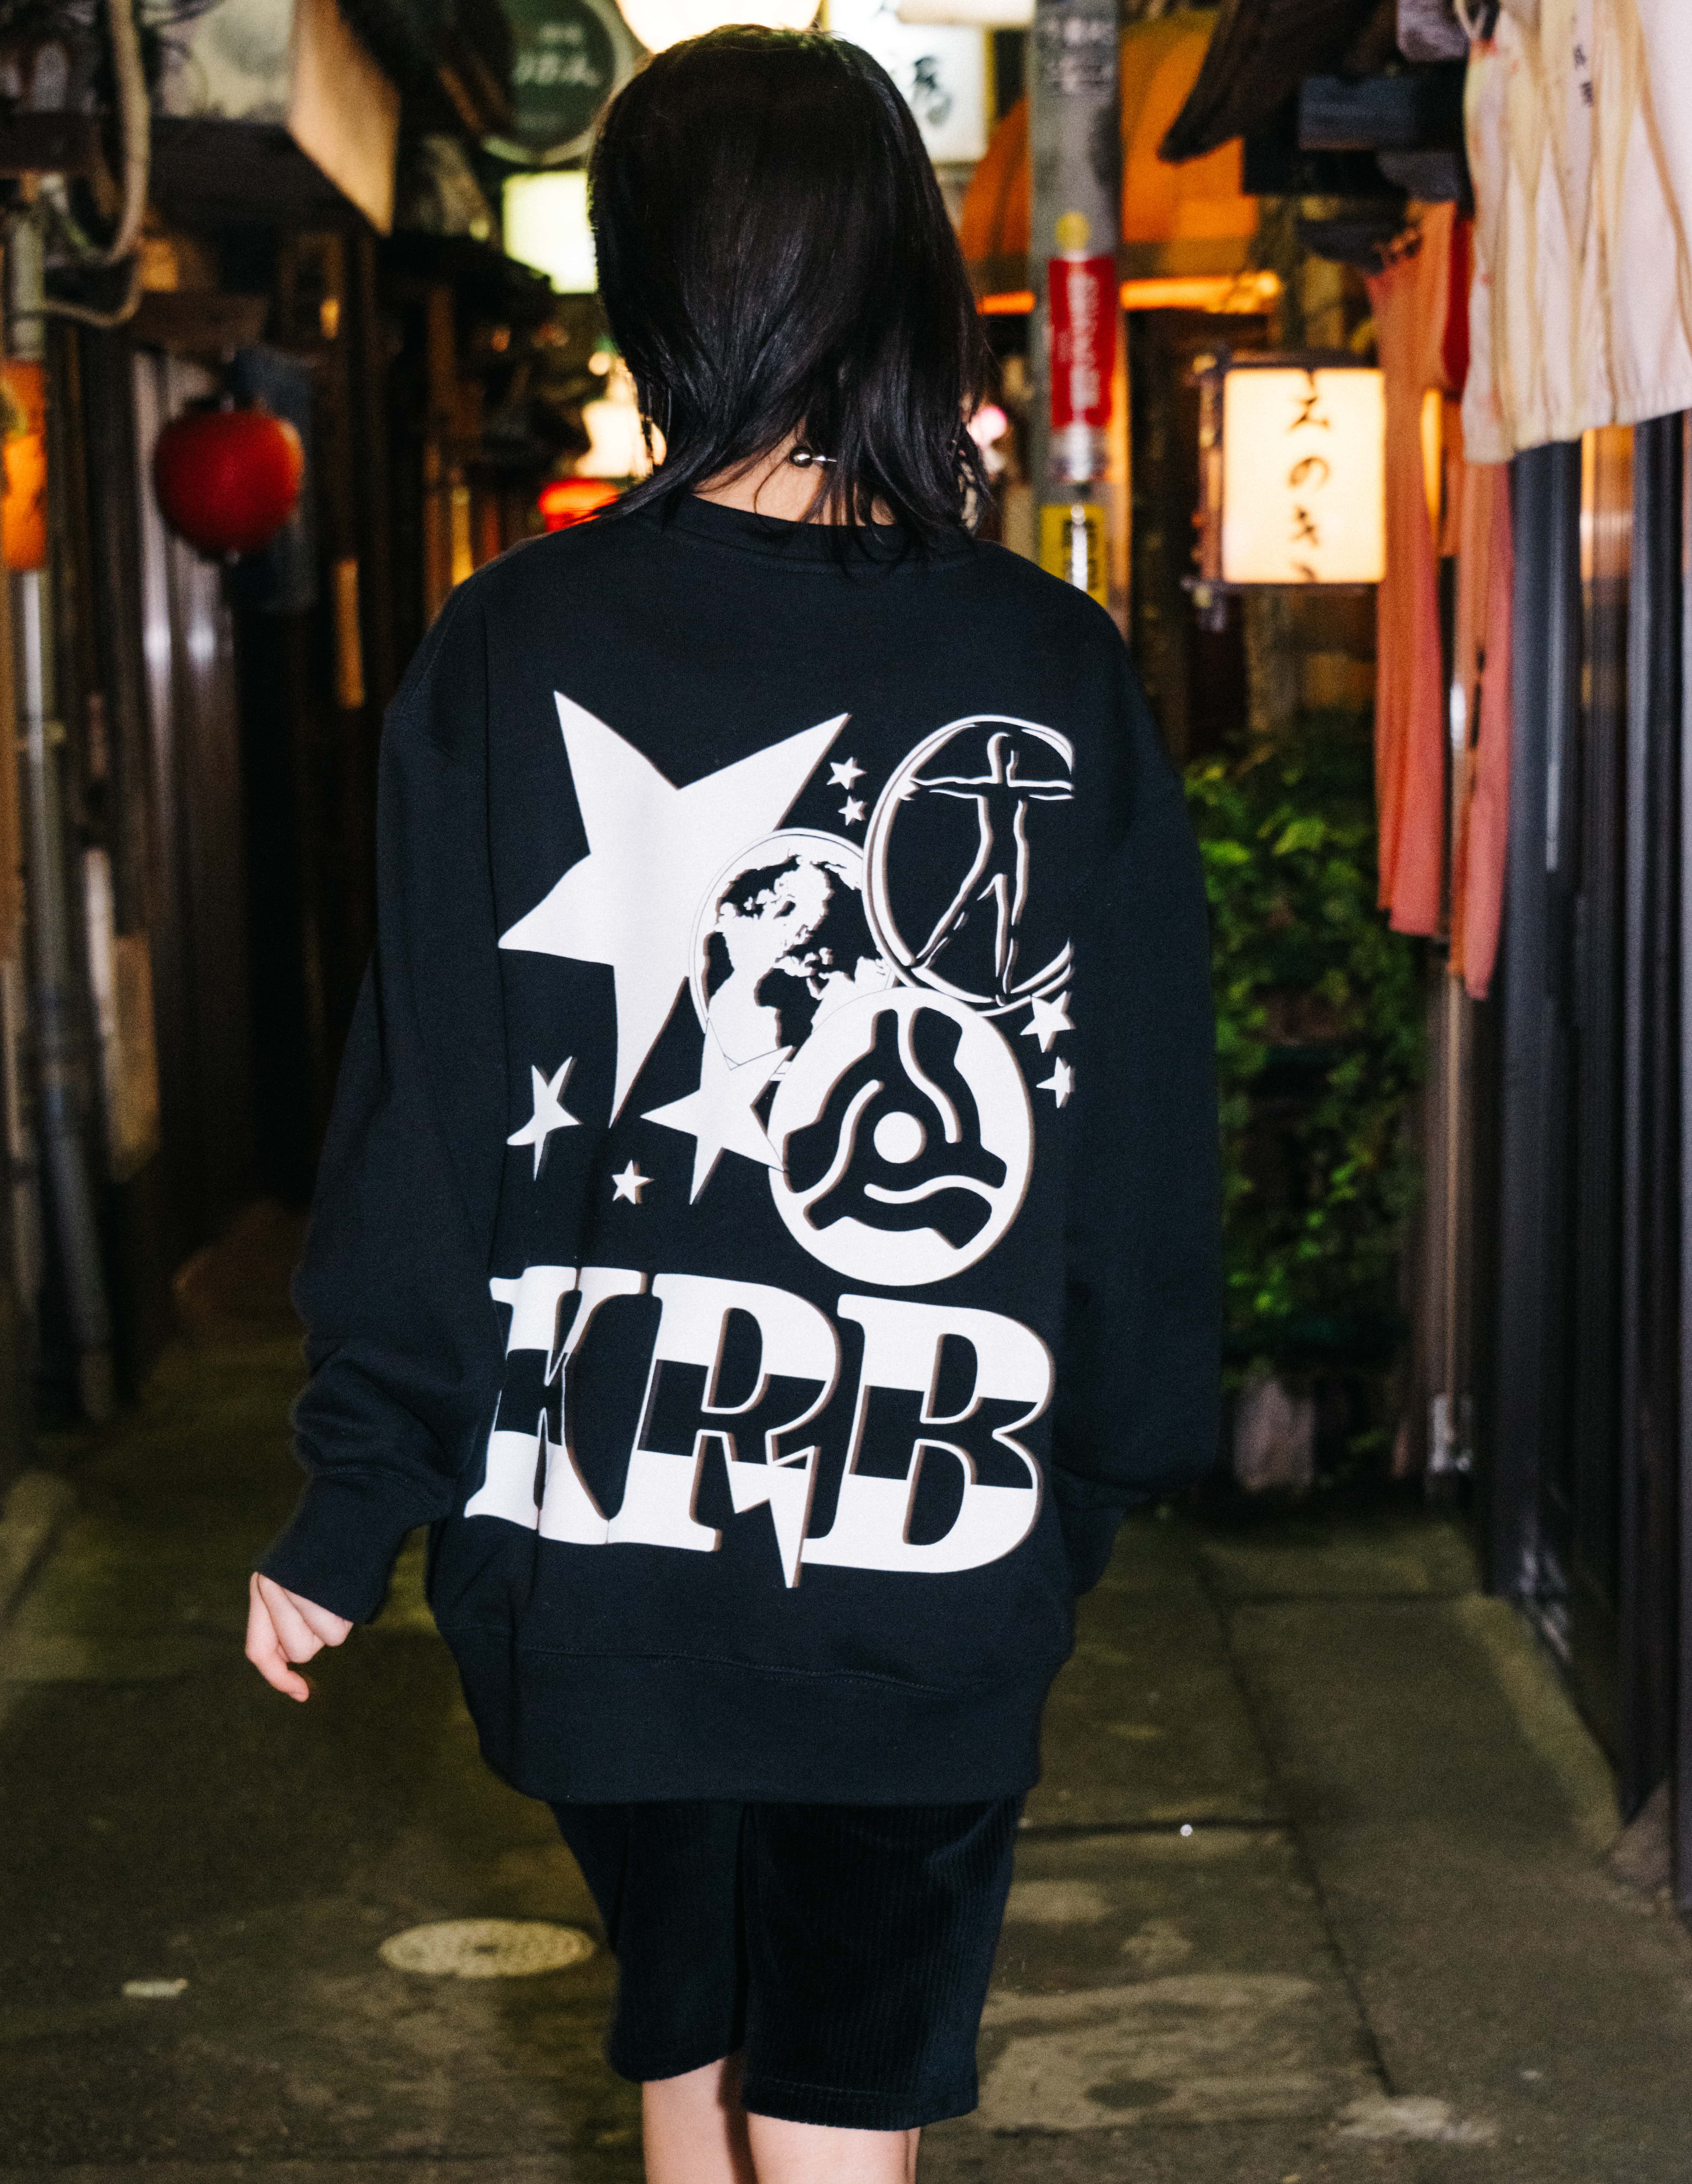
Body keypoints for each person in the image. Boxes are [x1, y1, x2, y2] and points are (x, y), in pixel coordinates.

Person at [245, 28, 1220, 2184]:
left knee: (687, 2028)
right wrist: (1102, 1460)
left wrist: (356, 1491)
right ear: (896, 272)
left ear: (649, 284)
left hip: (593, 1547)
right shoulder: (1046, 668)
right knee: (838, 2084)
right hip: (924, 1539)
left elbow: (423, 1111)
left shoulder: (508, 644)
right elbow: (1141, 1127)